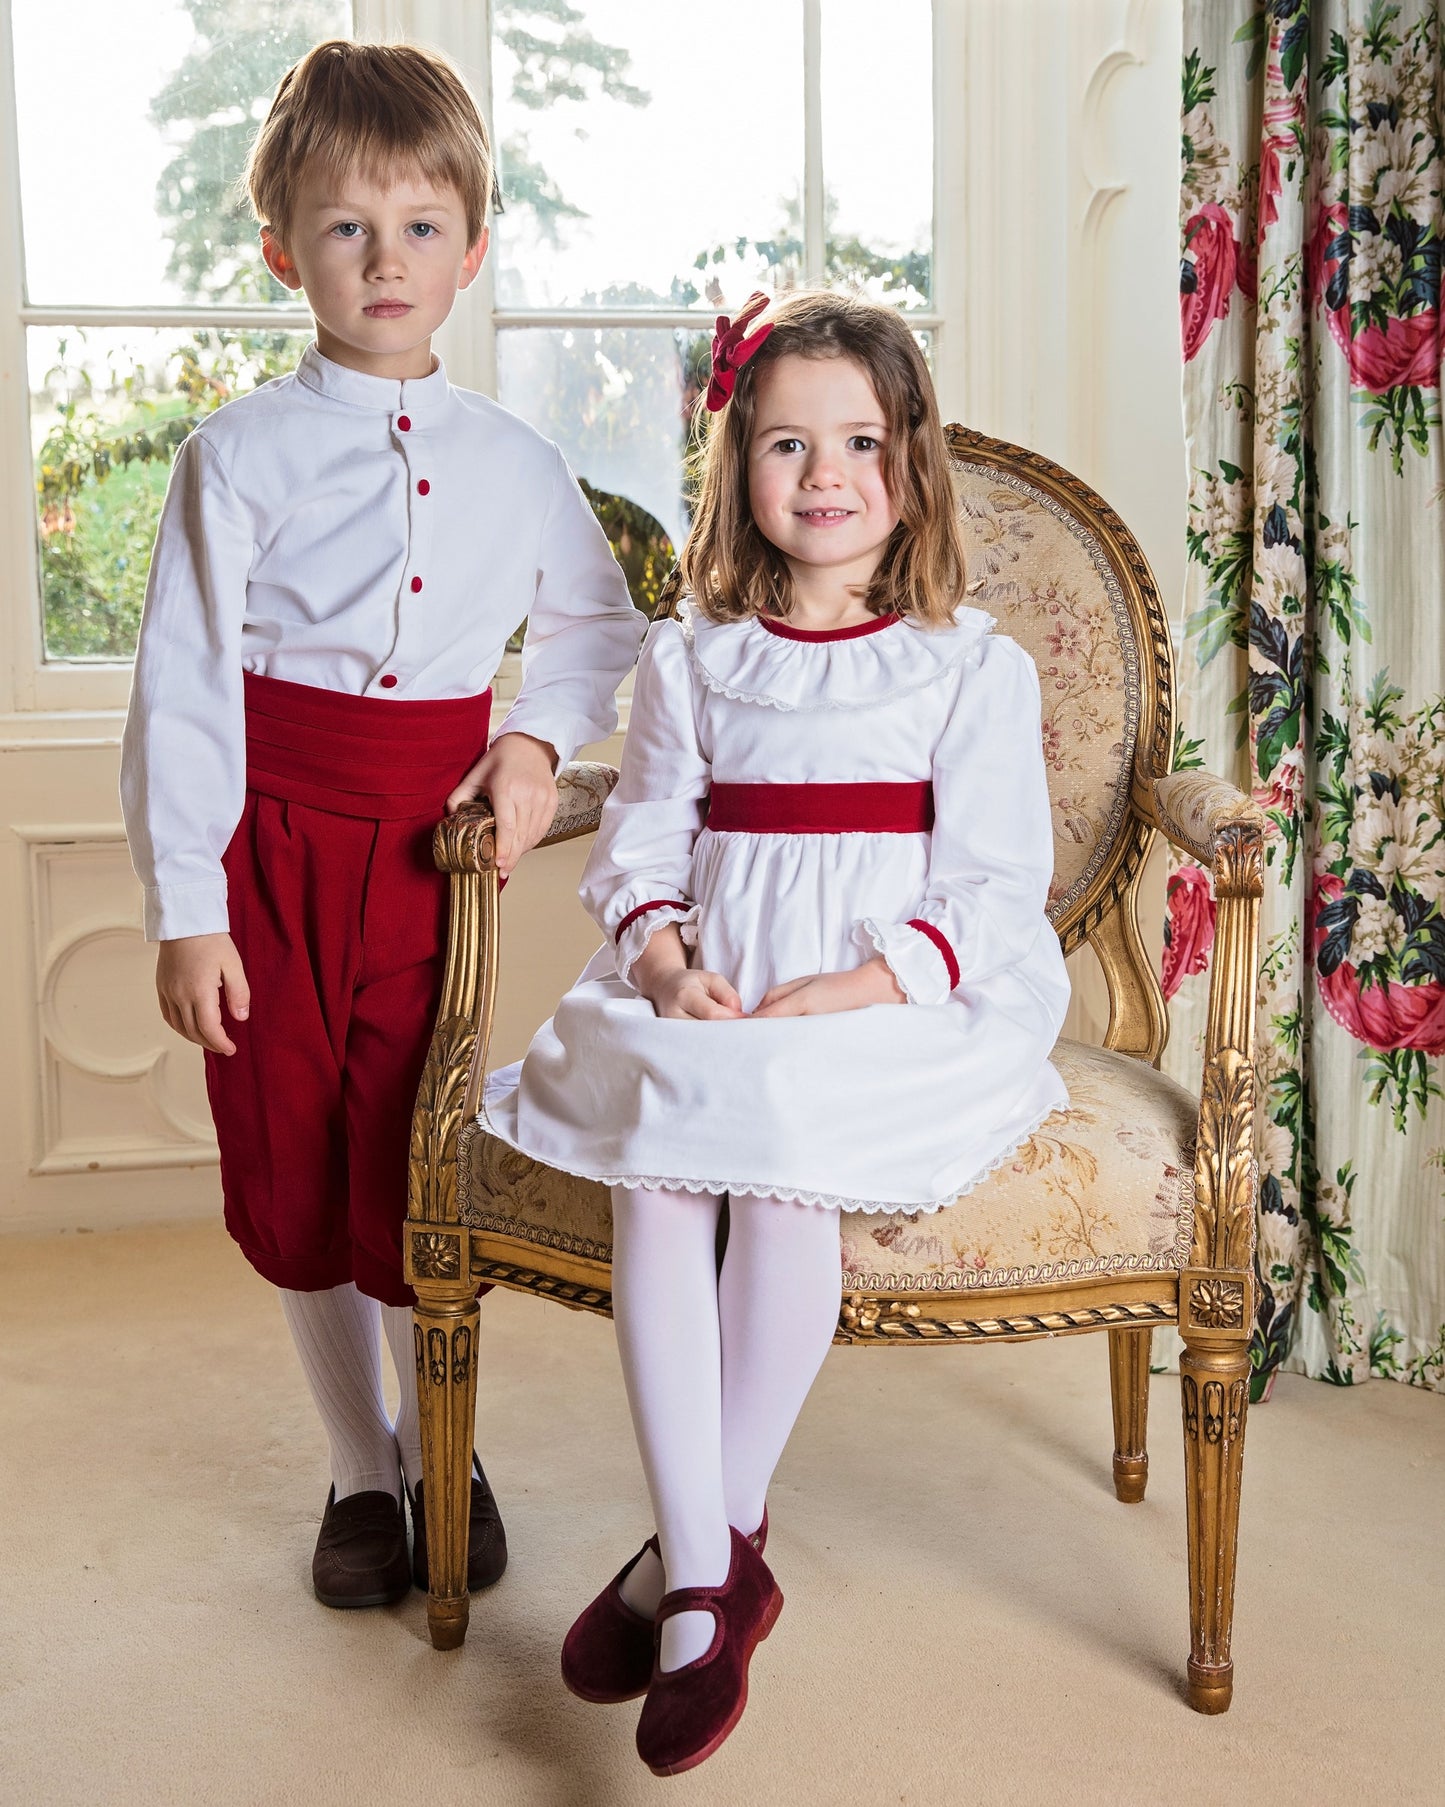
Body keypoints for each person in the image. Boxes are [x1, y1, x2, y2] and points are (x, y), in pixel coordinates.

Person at [482, 290, 1070, 1773]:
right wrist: (668, 964)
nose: (825, 474)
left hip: (877, 1002)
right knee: (668, 1163)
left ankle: (686, 1573)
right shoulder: (693, 659)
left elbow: (993, 881)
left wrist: (865, 985)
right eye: (789, 442)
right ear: (741, 464)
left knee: (785, 1154)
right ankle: (709, 1566)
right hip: (718, 986)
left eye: (860, 441)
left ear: (911, 464)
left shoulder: (964, 666)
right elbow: (640, 845)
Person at [120, 40, 643, 1612]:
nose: (386, 259)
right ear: (284, 247)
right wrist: (186, 905)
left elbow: (596, 624)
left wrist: (536, 742)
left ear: (473, 250)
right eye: (346, 227)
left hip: (433, 856)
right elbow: (185, 693)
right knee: (295, 1159)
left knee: (413, 1151)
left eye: (420, 227)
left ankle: (445, 1445)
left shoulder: (514, 459)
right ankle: (361, 1465)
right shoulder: (238, 456)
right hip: (271, 842)